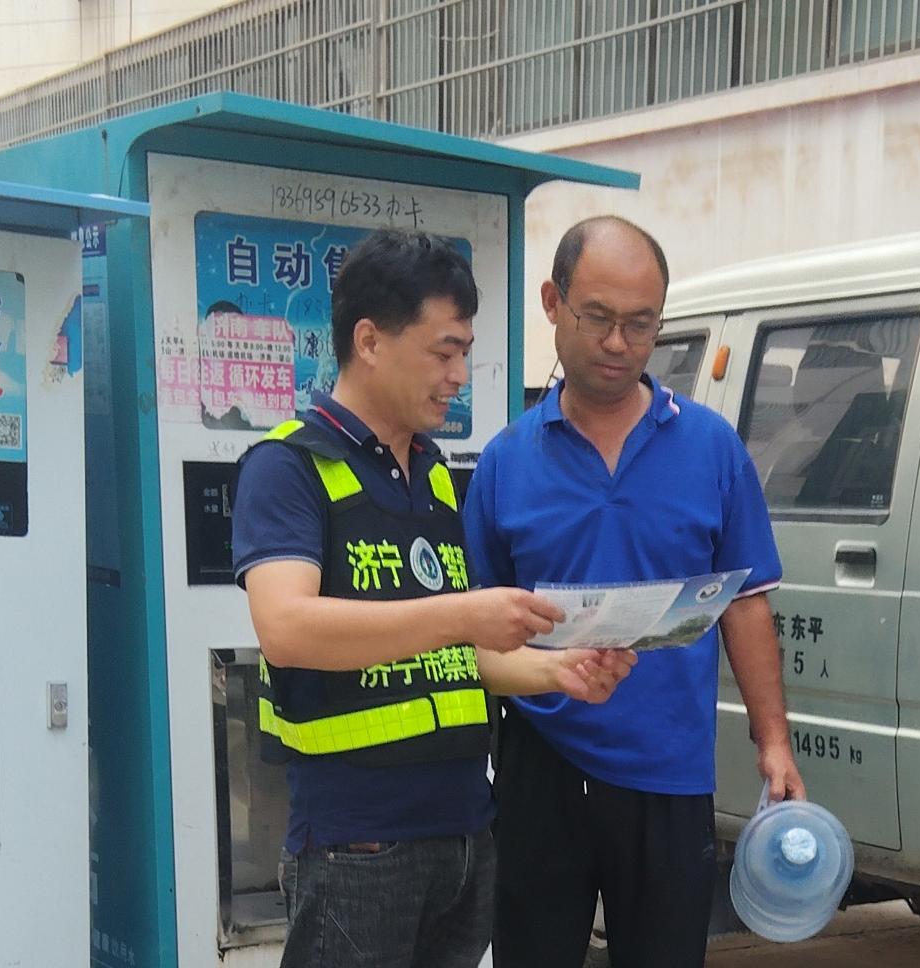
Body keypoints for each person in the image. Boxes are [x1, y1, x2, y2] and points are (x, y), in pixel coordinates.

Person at [232, 229, 635, 968]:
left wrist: (558, 672)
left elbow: (455, 658)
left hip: (462, 836)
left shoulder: (436, 475)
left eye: (465, 353)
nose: (458, 376)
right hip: (359, 844)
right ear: (369, 341)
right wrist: (464, 614)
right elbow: (285, 627)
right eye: (443, 352)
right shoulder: (288, 466)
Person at [466, 216, 805, 968]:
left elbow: (746, 602)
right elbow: (477, 627)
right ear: (552, 303)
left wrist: (774, 742)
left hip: (668, 770)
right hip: (540, 765)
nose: (619, 343)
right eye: (598, 318)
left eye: (641, 324)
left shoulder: (712, 449)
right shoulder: (505, 463)